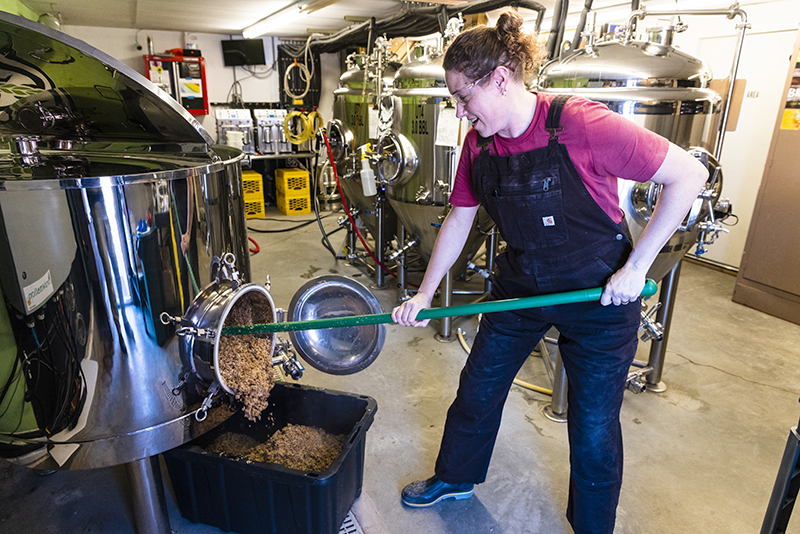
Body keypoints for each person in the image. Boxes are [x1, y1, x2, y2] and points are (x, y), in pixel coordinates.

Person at [390, 11, 708, 534]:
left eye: (464, 97)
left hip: (600, 294)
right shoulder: (480, 144)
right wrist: (425, 292)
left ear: (498, 79)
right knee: (478, 388)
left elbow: (689, 174)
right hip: (522, 285)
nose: (461, 110)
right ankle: (456, 476)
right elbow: (460, 216)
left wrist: (636, 267)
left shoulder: (581, 123)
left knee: (593, 429)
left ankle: (593, 526)